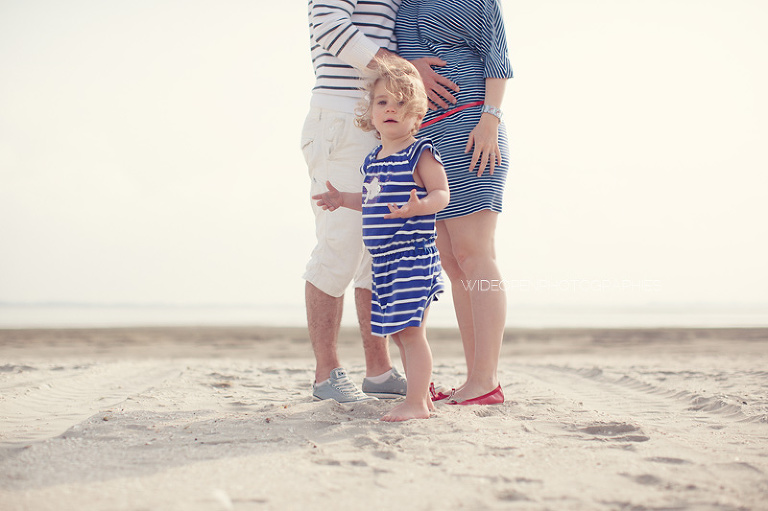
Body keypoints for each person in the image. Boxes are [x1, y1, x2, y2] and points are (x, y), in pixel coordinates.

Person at [303, 0, 459, 403]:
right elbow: (328, 24)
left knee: (378, 250)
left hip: (377, 117)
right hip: (342, 114)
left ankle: (379, 371)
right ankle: (326, 375)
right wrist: (406, 72)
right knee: (339, 247)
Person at [395, 0, 514, 405]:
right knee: (452, 260)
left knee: (474, 252)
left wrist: (490, 121)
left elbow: (497, 58)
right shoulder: (403, 5)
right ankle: (475, 380)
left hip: (471, 129)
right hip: (428, 140)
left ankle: (487, 379)